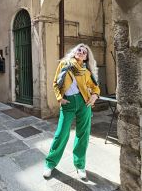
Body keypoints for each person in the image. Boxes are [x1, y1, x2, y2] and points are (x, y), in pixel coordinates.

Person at [43, 43, 100, 180]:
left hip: (83, 103)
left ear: (86, 57)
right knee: (61, 133)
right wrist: (59, 98)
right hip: (68, 103)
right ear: (75, 52)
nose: (81, 52)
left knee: (83, 134)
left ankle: (80, 165)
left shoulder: (86, 72)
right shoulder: (65, 64)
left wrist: (94, 96)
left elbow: (95, 87)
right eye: (79, 50)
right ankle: (50, 164)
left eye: (84, 52)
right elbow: (56, 82)